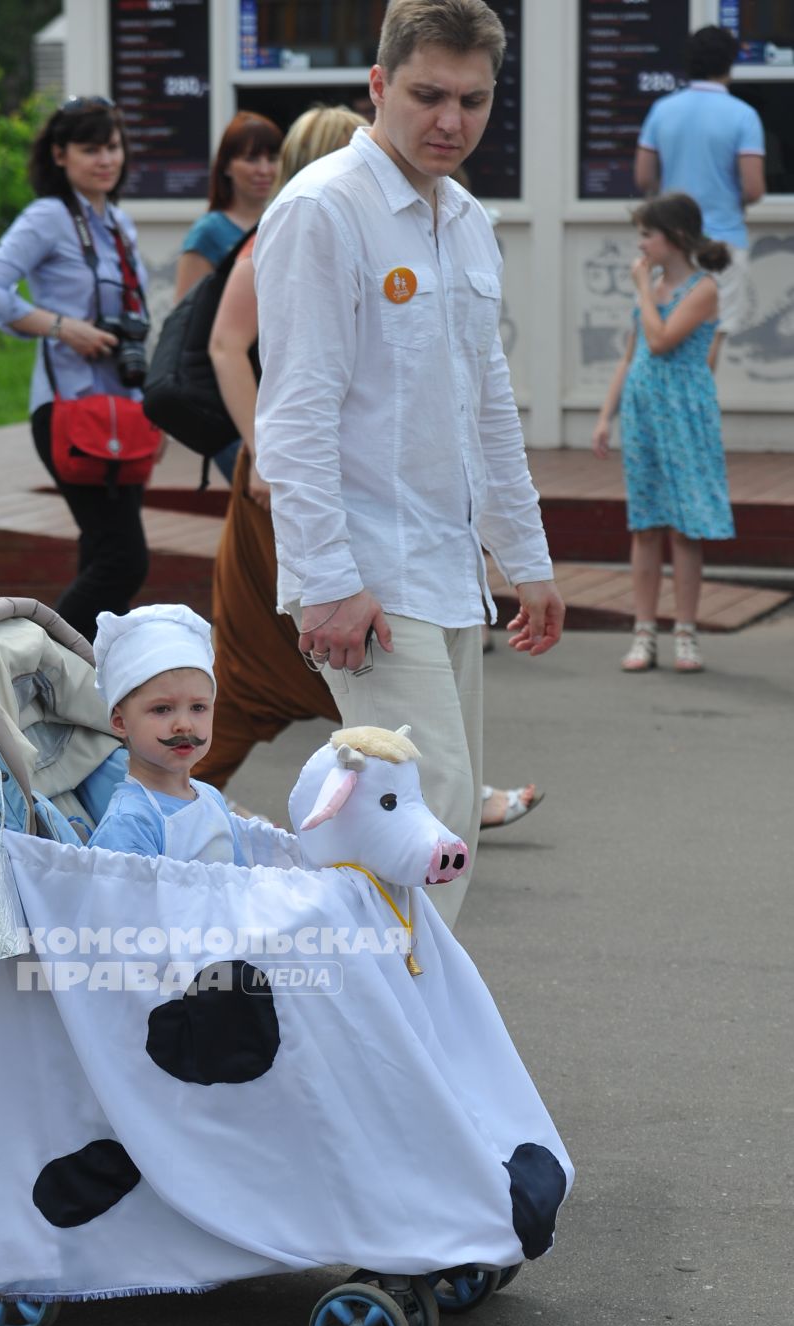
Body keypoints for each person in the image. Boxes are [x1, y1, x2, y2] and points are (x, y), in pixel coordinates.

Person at [253, 0, 564, 927]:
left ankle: (398, 1035)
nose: (450, 121)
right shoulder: (320, 210)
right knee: (415, 823)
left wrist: (528, 557)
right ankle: (389, 1042)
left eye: (472, 100)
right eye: (427, 95)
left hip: (446, 566)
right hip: (366, 575)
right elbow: (295, 417)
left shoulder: (466, 217)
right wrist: (325, 582)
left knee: (444, 815)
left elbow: (485, 411)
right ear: (377, 86)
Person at [198, 108, 363, 792]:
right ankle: (155, 806)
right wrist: (262, 454)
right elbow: (225, 345)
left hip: (319, 466)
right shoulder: (279, 234)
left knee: (305, 658)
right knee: (257, 665)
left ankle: (426, 784)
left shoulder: (340, 233)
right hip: (281, 472)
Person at [0, 97, 154, 642]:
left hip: (124, 410)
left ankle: (86, 693)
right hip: (71, 409)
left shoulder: (118, 222)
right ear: (60, 155)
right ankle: (31, 666)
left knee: (102, 554)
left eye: (113, 146)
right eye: (91, 148)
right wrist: (60, 326)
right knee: (124, 558)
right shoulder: (48, 216)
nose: (106, 159)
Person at [591, 194, 734, 674]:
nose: (641, 244)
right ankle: (644, 630)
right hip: (645, 415)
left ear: (673, 237)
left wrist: (642, 291)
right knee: (646, 524)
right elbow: (632, 356)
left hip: (685, 416)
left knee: (686, 527)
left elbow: (661, 339)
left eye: (647, 234)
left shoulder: (703, 288)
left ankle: (686, 633)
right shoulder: (650, 287)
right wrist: (605, 416)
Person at [635, 25, 765, 370]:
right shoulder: (743, 116)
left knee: (660, 334)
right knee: (709, 341)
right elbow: (754, 188)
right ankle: (695, 417)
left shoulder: (662, 111)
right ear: (730, 63)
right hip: (723, 242)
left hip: (672, 242)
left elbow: (644, 177)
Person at [88, 605, 253, 865]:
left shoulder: (210, 797)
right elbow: (125, 903)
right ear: (121, 722)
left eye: (198, 707)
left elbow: (243, 882)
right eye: (162, 709)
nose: (184, 725)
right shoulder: (130, 823)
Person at [174, 111, 281, 303]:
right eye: (252, 159)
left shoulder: (280, 222)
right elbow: (185, 318)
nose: (264, 170)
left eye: (272, 159)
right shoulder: (207, 232)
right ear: (226, 166)